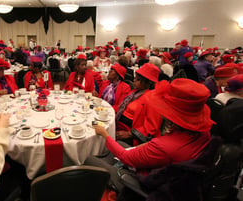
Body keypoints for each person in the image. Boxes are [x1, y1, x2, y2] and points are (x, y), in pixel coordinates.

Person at [85, 78, 213, 192]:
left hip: (148, 181)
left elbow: (126, 157)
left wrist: (105, 134)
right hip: (173, 177)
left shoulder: (164, 146)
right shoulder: (204, 134)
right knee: (118, 144)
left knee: (89, 159)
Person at [115, 63, 160, 143]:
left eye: (138, 79)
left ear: (148, 82)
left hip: (131, 137)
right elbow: (121, 107)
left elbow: (151, 127)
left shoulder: (152, 99)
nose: (134, 80)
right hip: (119, 127)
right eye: (135, 78)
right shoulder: (135, 92)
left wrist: (129, 134)